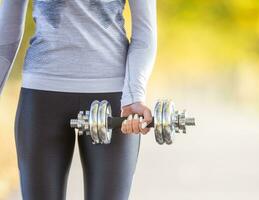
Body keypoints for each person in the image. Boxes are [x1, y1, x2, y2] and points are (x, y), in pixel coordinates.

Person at [0, 0, 157, 199]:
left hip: (112, 100)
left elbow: (145, 32)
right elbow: (7, 28)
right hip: (42, 96)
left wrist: (134, 95)